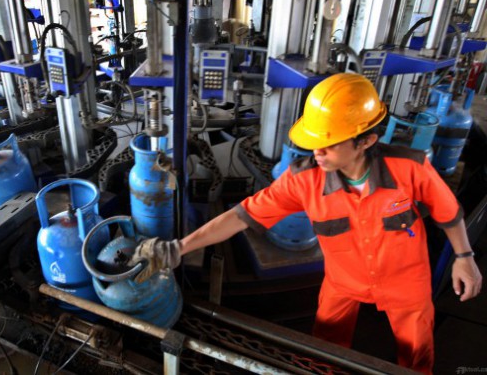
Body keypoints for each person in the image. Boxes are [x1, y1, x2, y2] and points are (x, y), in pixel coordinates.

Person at [130, 73, 483, 374]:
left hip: (406, 281)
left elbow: (447, 211)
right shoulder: (304, 181)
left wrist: (464, 257)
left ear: (366, 141)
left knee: (417, 354)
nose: (317, 151)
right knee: (324, 350)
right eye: (314, 142)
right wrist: (179, 248)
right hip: (344, 282)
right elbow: (240, 216)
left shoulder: (410, 168)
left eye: (328, 144)